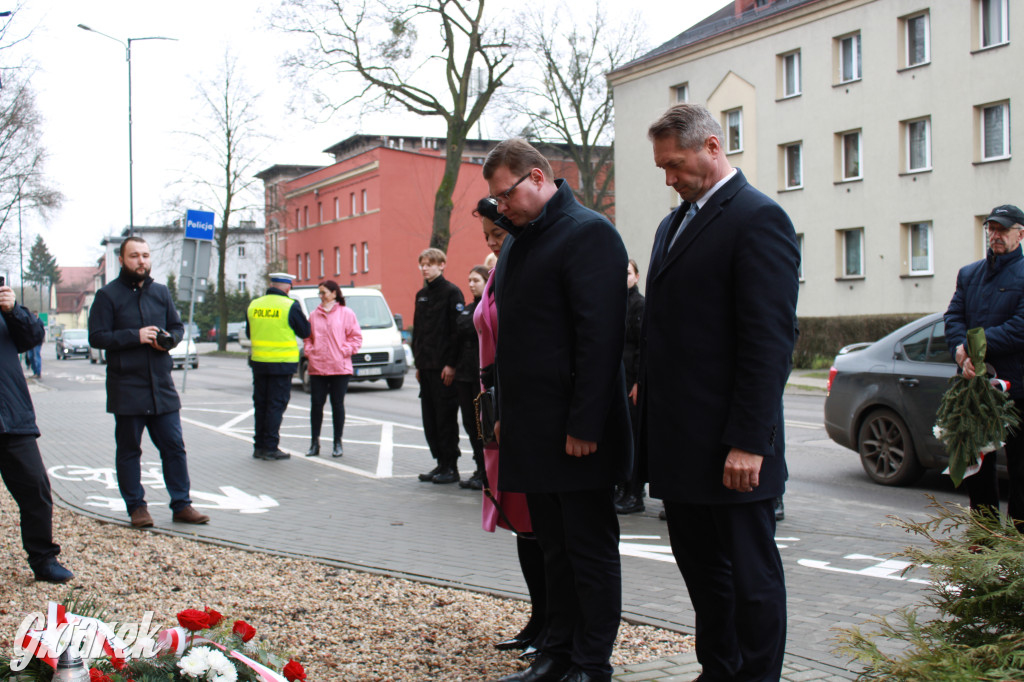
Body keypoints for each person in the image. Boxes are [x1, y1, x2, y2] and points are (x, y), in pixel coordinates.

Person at [638, 104, 799, 681]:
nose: (669, 178)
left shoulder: (758, 218)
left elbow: (769, 341)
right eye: (661, 167)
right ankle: (718, 669)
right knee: (703, 573)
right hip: (682, 444)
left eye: (675, 164)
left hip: (735, 447)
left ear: (711, 146)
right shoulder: (672, 222)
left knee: (752, 580)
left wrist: (749, 442)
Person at [484, 139, 631, 682]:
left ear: (539, 177)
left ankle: (591, 664)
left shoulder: (589, 233)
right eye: (496, 198)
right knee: (554, 550)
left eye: (506, 193)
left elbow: (600, 339)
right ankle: (556, 655)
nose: (501, 207)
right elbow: (512, 337)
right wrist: (506, 410)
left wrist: (585, 424)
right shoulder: (521, 242)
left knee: (588, 551)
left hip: (576, 431)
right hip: (531, 425)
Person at [88, 236, 211, 528]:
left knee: (174, 447)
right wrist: (135, 335)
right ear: (122, 260)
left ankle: (182, 504)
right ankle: (137, 507)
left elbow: (177, 327)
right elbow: (97, 337)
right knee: (130, 450)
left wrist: (169, 341)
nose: (141, 261)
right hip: (127, 387)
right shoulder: (107, 296)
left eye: (145, 255)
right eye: (134, 256)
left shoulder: (160, 292)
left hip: (162, 386)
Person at [472, 197, 548, 659]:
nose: (493, 245)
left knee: (536, 521)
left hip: (515, 406)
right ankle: (538, 620)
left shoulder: (524, 271)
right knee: (519, 522)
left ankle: (552, 627)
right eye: (487, 239)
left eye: (497, 235)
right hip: (493, 404)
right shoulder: (501, 272)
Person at [944, 203, 1024, 527]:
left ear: (1020, 233)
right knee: (978, 471)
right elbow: (953, 317)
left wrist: (976, 348)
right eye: (991, 229)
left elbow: (1020, 327)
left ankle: (1017, 548)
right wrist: (960, 353)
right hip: (975, 390)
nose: (995, 235)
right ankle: (984, 540)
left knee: (1020, 472)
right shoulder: (969, 273)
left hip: (1017, 390)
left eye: (1002, 229)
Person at [0, 282, 73, 582]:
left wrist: (13, 309)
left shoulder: (5, 308)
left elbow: (33, 336)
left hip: (12, 417)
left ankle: (44, 559)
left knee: (36, 490)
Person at [413, 248, 465, 485]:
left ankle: (450, 466)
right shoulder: (421, 294)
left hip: (444, 367)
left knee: (445, 418)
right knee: (430, 419)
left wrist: (451, 364)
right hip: (426, 366)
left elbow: (456, 333)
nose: (425, 268)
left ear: (442, 265)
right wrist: (418, 363)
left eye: (430, 264)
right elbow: (419, 332)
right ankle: (440, 462)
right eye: (422, 264)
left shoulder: (452, 292)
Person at [247, 272, 311, 461]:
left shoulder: (254, 305)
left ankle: (258, 446)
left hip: (259, 362)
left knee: (261, 404)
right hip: (282, 364)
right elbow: (305, 331)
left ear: (271, 285)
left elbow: (251, 332)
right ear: (288, 287)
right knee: (275, 406)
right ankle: (270, 447)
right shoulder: (290, 305)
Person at [303, 280, 362, 458]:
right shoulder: (314, 315)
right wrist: (309, 352)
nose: (321, 296)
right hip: (318, 366)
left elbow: (356, 338)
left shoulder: (346, 313)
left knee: (337, 405)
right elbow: (308, 338)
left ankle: (338, 442)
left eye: (324, 293)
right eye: (319, 293)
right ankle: (315, 443)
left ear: (334, 293)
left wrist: (344, 351)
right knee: (316, 405)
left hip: (339, 367)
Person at [615, 260, 646, 515]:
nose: (622, 277)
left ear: (636, 276)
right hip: (617, 380)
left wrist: (638, 382)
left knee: (632, 439)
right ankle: (621, 488)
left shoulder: (639, 305)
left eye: (627, 273)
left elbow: (641, 348)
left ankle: (634, 493)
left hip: (631, 382)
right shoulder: (613, 303)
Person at [456, 265, 489, 490]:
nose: (471, 284)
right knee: (470, 423)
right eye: (469, 280)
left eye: (476, 280)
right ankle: (478, 468)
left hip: (482, 374)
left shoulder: (489, 308)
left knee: (483, 424)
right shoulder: (468, 309)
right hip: (464, 374)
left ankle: (487, 471)